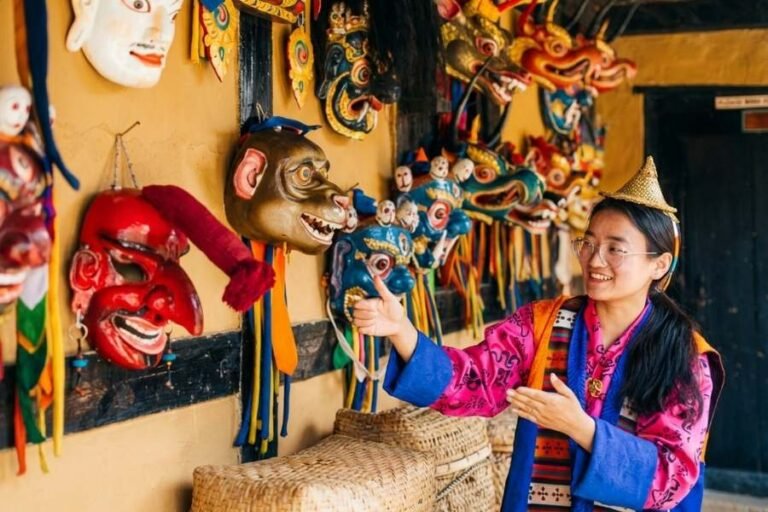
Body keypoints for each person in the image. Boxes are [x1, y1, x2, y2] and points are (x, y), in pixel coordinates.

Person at [352, 156, 724, 511]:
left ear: (659, 265)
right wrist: (402, 331)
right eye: (590, 243)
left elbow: (673, 477)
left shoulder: (685, 356)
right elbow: (473, 380)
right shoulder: (543, 324)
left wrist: (583, 429)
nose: (595, 260)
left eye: (616, 249)